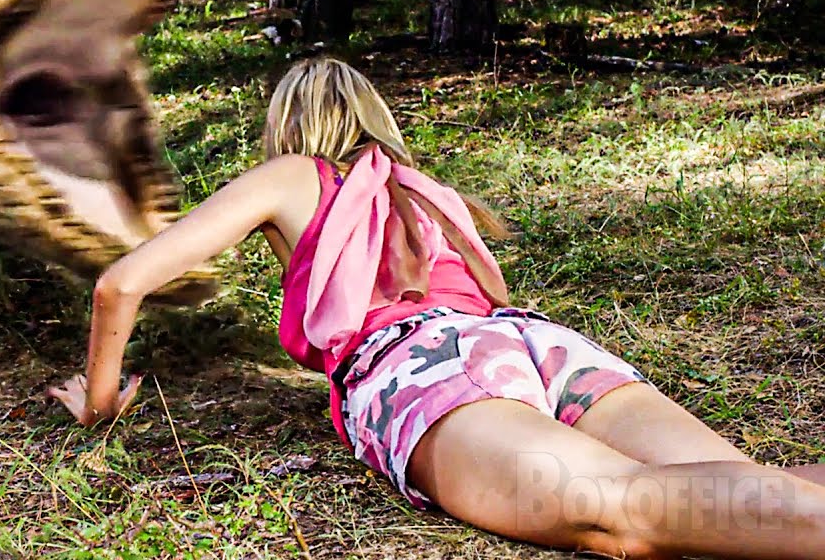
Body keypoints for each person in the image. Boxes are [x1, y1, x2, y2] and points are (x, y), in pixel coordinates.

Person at [47, 57, 825, 559]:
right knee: (735, 486)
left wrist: (103, 400)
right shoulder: (421, 189)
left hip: (422, 372)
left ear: (287, 124)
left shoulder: (293, 173)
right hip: (536, 346)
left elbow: (123, 282)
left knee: (620, 514)